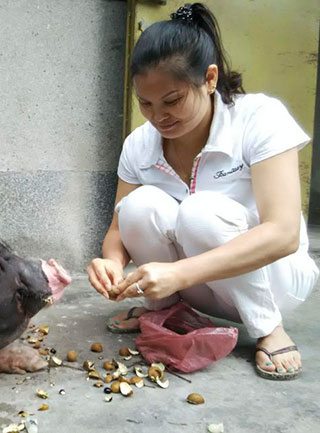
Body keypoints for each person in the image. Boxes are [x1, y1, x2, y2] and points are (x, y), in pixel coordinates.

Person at [87, 2, 318, 380]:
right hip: (197, 286)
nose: (158, 116)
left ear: (209, 79)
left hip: (274, 280)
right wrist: (112, 264)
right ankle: (166, 310)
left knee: (200, 212)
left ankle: (267, 327)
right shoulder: (139, 144)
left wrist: (178, 274)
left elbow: (283, 235)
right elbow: (118, 227)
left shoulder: (259, 118)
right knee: (138, 205)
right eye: (145, 103)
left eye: (172, 101)